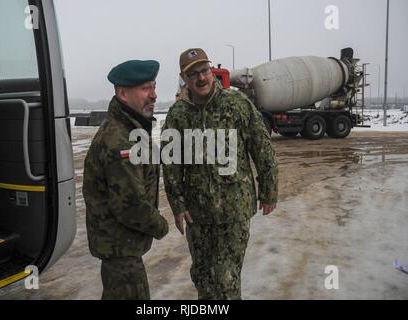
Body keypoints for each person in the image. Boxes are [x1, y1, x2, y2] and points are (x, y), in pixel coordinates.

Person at [162, 48, 278, 300]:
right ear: (184, 77)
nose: (201, 78)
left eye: (204, 71)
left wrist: (269, 190)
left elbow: (262, 147)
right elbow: (171, 165)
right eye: (193, 74)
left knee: (226, 280)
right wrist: (178, 204)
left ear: (211, 71)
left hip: (233, 209)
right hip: (197, 213)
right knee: (202, 277)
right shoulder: (178, 114)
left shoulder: (237, 103)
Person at [83, 60, 169, 300]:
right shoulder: (120, 139)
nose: (153, 95)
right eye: (145, 89)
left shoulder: (129, 128)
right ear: (122, 93)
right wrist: (161, 225)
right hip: (120, 248)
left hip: (121, 247)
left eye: (154, 87)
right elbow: (130, 206)